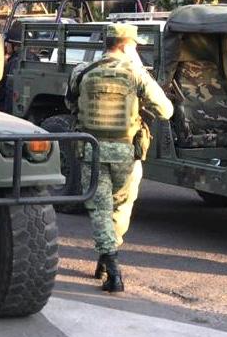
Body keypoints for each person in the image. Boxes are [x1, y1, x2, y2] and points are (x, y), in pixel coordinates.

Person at [65, 23, 172, 292]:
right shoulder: (136, 73)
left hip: (91, 150)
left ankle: (107, 258)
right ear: (126, 45)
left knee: (99, 208)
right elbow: (166, 111)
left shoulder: (82, 71)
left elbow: (70, 103)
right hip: (126, 153)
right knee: (121, 207)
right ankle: (111, 261)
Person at [0, 22, 23, 112]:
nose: (6, 45)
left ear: (14, 45)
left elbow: (7, 91)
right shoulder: (31, 58)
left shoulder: (14, 62)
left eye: (8, 43)